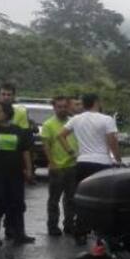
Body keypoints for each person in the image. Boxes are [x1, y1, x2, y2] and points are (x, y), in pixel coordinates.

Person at [60, 93, 122, 244]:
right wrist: (118, 159)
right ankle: (101, 232)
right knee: (102, 199)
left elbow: (60, 136)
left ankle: (80, 230)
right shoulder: (106, 119)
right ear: (96, 102)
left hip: (83, 162)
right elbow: (112, 141)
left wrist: (70, 151)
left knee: (83, 197)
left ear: (84, 103)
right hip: (102, 163)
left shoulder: (76, 119)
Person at [0, 101, 36, 244]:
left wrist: (28, 170)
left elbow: (25, 151)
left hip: (15, 174)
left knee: (17, 203)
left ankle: (19, 234)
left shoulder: (17, 130)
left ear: (7, 113)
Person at [40, 96, 79, 236]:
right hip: (57, 167)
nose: (62, 109)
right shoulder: (48, 124)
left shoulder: (73, 122)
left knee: (71, 199)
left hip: (72, 166)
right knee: (54, 200)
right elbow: (46, 146)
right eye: (59, 106)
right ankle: (52, 226)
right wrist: (52, 163)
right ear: (54, 108)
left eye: (64, 106)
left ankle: (69, 225)